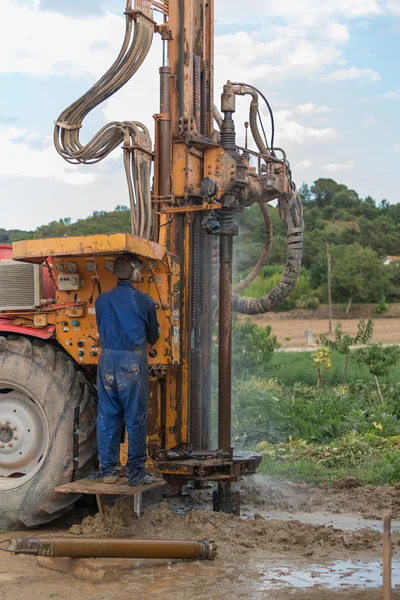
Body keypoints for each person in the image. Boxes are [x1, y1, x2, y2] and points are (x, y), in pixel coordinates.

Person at [93, 255, 160, 486]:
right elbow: (153, 336)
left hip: (107, 361)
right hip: (131, 363)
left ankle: (109, 472)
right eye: (139, 269)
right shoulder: (144, 301)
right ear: (133, 272)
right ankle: (135, 474)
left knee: (107, 416)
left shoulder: (101, 300)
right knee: (135, 419)